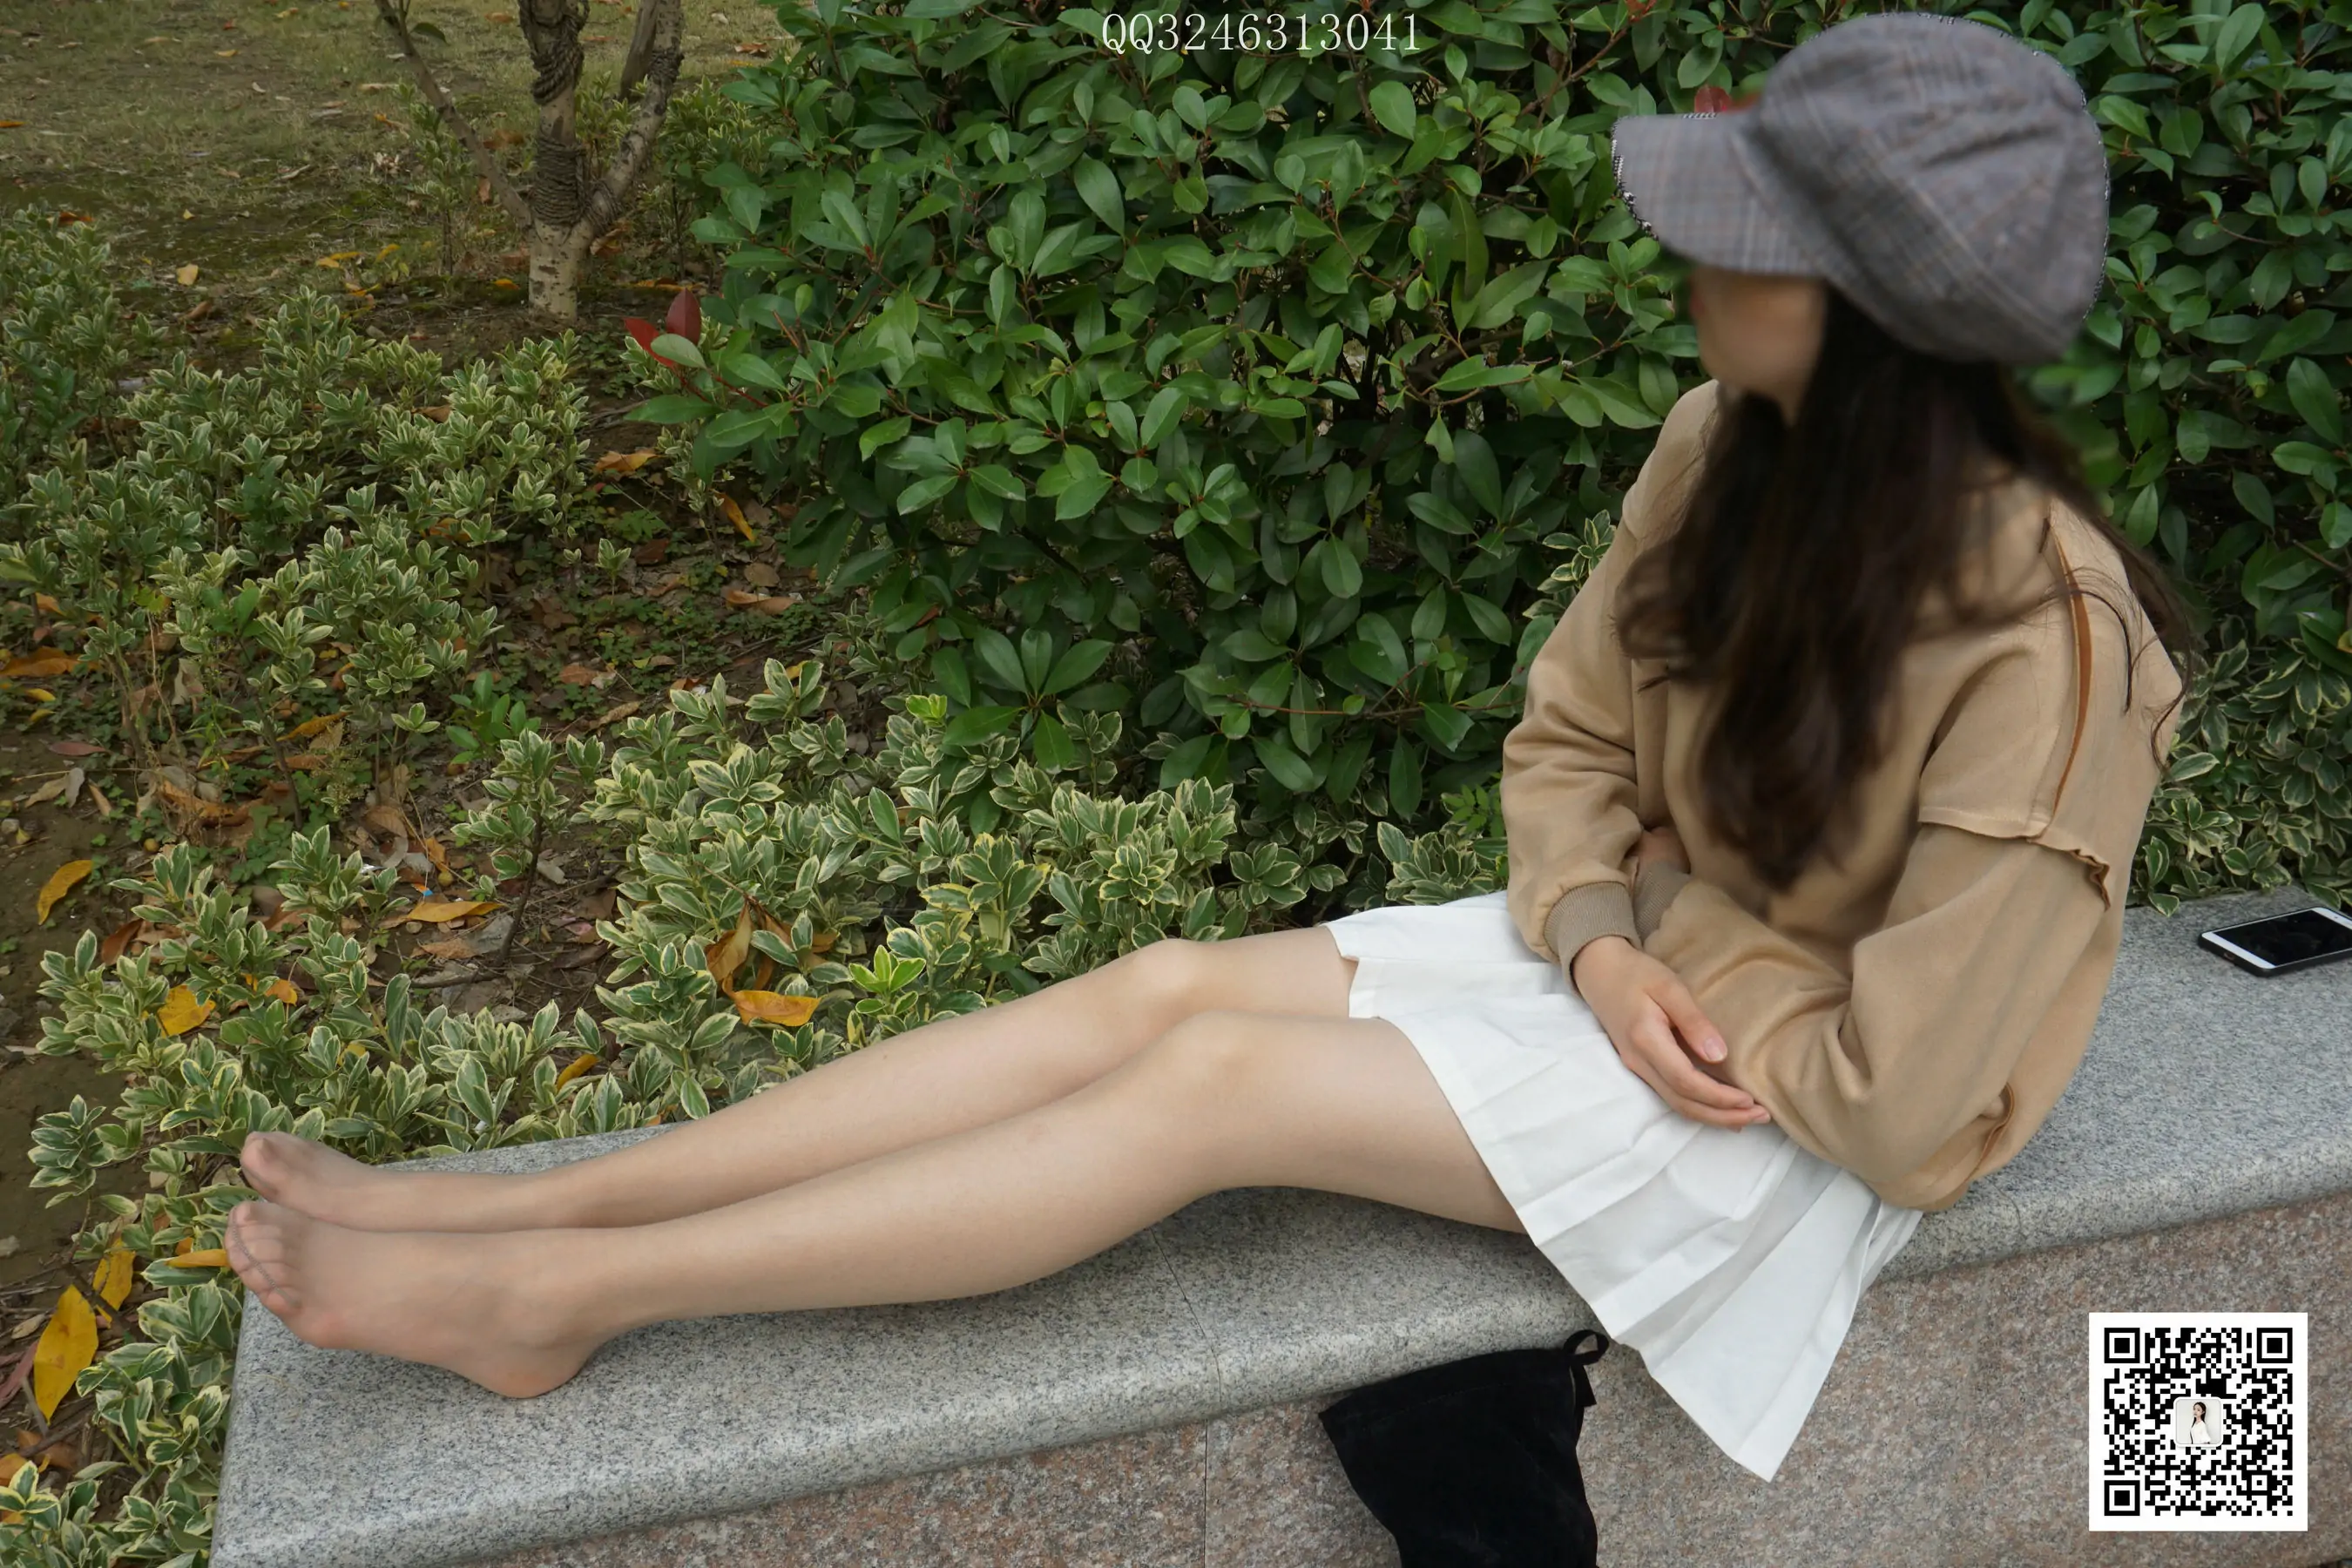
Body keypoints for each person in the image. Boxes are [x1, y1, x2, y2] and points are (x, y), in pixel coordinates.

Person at [220, 12, 2193, 1484]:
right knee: (1160, 986)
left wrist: (1653, 943)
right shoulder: (1723, 447)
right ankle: (547, 1207)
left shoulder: (2050, 643)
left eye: (1756, 237)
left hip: (1774, 1128)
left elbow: (1899, 1105)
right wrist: (1605, 934)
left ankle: (557, 1298)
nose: (1698, 261)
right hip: (1651, 987)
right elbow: (1569, 741)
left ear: (1877, 314)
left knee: (1206, 1087)